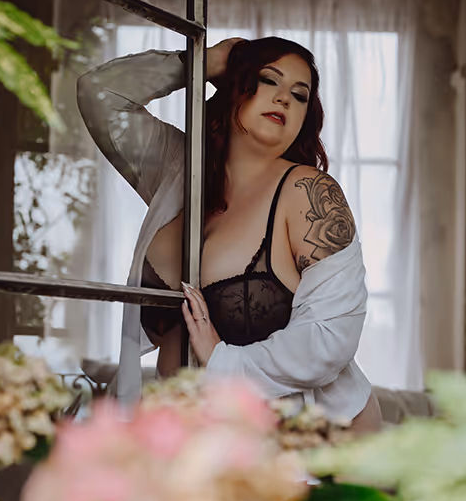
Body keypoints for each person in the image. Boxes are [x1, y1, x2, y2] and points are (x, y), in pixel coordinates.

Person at [77, 35, 381, 432]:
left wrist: (223, 360)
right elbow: (99, 94)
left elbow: (331, 339)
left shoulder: (307, 191)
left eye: (300, 94)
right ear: (234, 84)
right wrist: (199, 63)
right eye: (268, 80)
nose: (285, 98)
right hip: (193, 448)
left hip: (311, 454)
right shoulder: (178, 170)